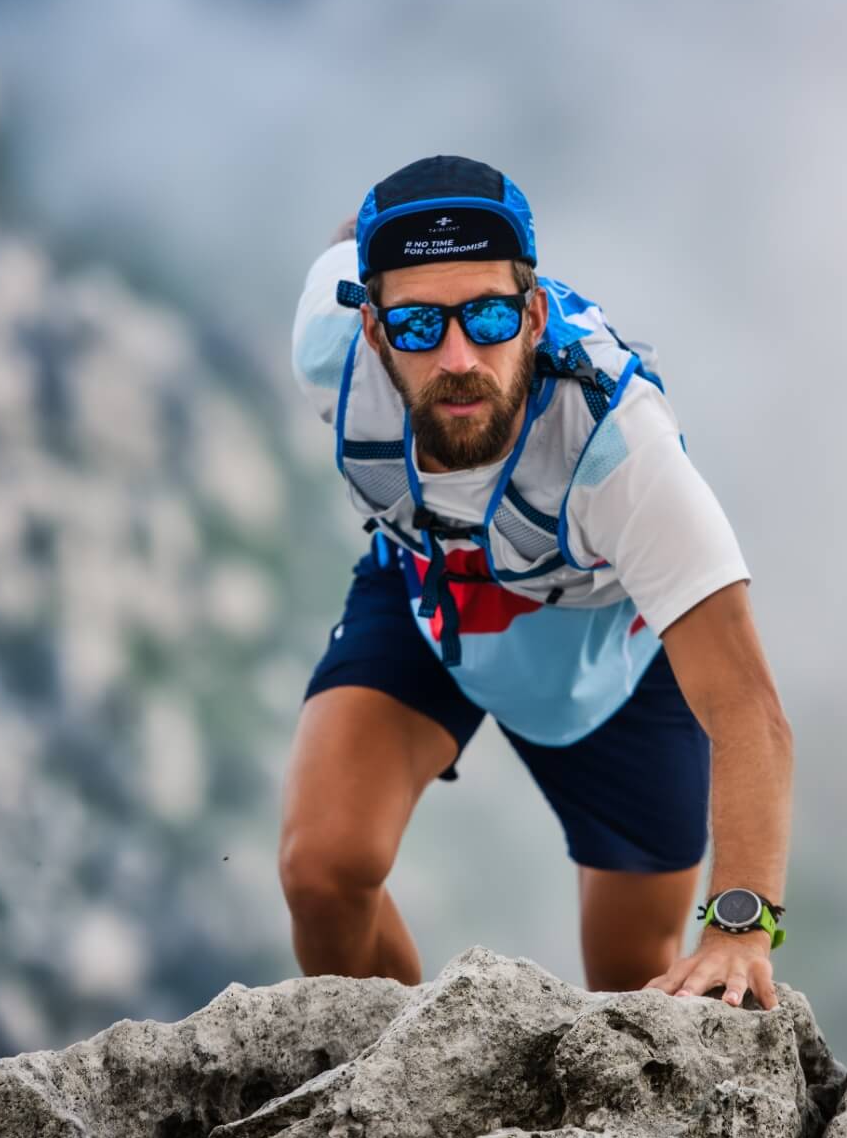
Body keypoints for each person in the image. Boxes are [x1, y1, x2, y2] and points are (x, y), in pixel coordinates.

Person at [279, 154, 793, 1010]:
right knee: (323, 871)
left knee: (639, 990)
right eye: (416, 328)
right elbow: (345, 246)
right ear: (371, 330)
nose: (457, 357)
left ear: (535, 311)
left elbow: (749, 708)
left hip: (614, 669)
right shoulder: (327, 348)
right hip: (433, 598)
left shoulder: (619, 448)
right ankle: (393, 1096)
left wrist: (741, 927)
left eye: (487, 317)